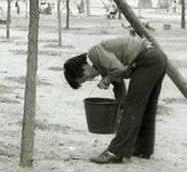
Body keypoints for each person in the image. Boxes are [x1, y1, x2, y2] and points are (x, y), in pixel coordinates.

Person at [63, 36, 167, 164]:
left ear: (83, 66)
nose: (90, 80)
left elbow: (120, 70)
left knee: (132, 108)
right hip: (156, 58)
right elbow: (119, 85)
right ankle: (143, 148)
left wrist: (107, 79)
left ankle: (115, 152)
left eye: (84, 78)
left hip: (147, 60)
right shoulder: (99, 64)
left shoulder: (95, 53)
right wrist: (119, 106)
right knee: (145, 107)